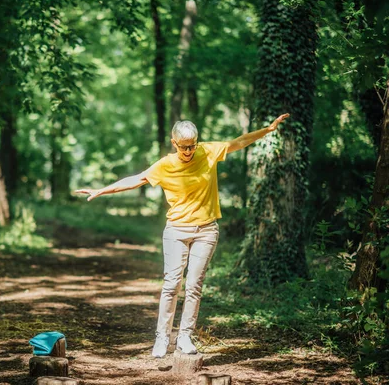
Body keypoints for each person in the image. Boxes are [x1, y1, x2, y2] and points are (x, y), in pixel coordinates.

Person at [76, 113, 290, 358]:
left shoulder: (207, 152)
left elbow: (238, 142)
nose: (189, 151)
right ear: (173, 143)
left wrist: (268, 129)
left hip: (207, 230)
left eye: (192, 146)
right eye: (184, 147)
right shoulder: (165, 165)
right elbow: (136, 179)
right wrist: (101, 190)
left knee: (194, 286)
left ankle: (185, 336)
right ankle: (162, 337)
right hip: (176, 231)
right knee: (171, 285)